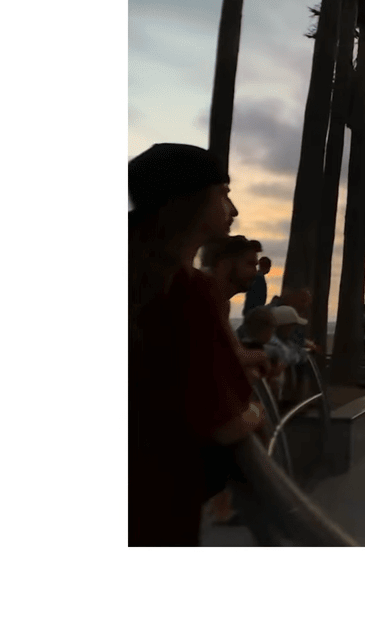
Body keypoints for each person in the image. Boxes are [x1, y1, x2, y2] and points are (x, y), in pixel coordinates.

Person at [128, 143, 273, 546]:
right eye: (223, 194)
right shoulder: (187, 291)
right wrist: (257, 412)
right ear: (189, 201)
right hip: (155, 504)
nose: (233, 209)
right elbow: (226, 424)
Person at [200, 234, 262, 318]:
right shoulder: (198, 300)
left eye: (255, 266)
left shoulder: (220, 305)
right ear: (225, 264)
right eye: (250, 264)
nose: (255, 272)